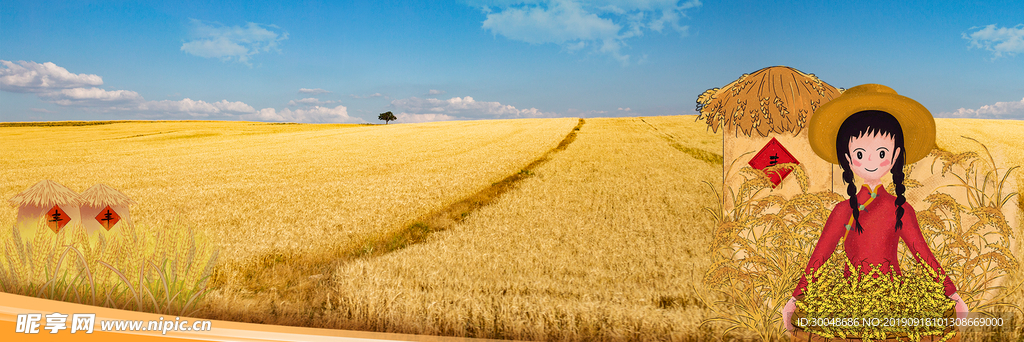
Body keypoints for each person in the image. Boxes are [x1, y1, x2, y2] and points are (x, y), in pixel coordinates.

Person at [781, 84, 969, 333]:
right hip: (849, 303)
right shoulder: (842, 210)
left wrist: (953, 294)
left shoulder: (900, 209)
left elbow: (922, 254)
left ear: (895, 156)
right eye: (860, 152)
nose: (871, 161)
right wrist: (795, 298)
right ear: (847, 158)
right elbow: (820, 256)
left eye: (881, 152)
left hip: (894, 302)